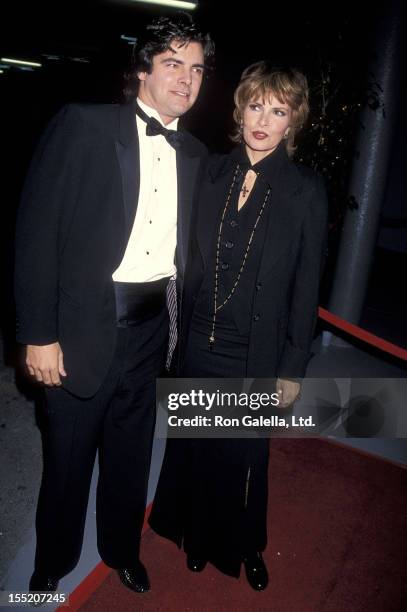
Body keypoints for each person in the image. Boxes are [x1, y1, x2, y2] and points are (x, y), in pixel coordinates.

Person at [14, 14, 214, 595]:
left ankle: (121, 549)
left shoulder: (197, 153)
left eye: (196, 69)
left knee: (130, 455)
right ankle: (52, 560)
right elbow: (35, 234)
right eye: (173, 64)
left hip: (154, 328)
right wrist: (37, 334)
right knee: (69, 460)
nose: (185, 79)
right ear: (143, 70)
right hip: (80, 327)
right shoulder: (83, 125)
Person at [149, 61, 328, 590]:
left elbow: (306, 286)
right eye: (255, 105)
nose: (263, 120)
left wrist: (293, 365)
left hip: (256, 347)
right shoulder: (212, 172)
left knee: (246, 454)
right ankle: (195, 536)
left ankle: (244, 542)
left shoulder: (305, 191)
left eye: (278, 111)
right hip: (201, 338)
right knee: (198, 445)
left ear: (292, 121)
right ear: (239, 108)